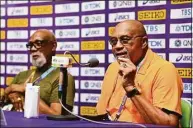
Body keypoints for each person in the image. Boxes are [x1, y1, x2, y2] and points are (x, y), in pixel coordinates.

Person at [96, 20, 183, 126]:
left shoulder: (165, 69)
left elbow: (169, 124)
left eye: (125, 40)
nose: (117, 46)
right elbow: (101, 113)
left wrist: (130, 88)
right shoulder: (113, 68)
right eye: (113, 41)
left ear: (144, 42)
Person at [4, 29, 75, 115]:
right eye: (30, 45)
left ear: (53, 46)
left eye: (39, 43)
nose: (33, 49)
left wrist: (27, 90)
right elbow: (4, 96)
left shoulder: (62, 77)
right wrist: (13, 93)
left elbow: (56, 115)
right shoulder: (22, 75)